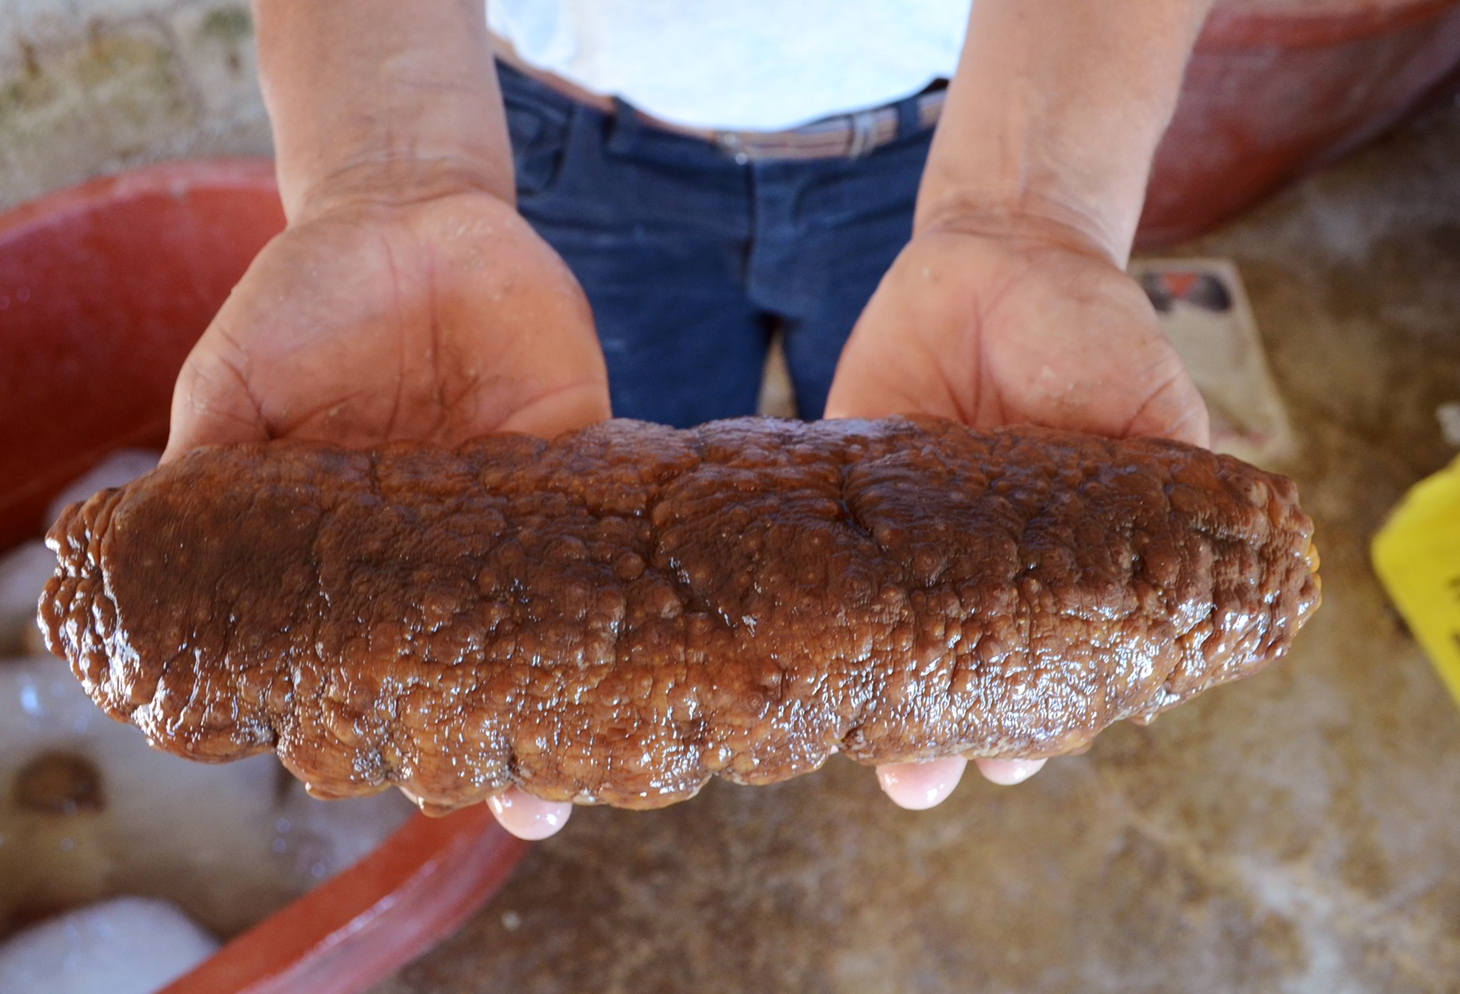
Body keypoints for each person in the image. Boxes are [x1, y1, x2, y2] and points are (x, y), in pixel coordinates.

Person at [162, 0, 1213, 840]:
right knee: (616, 500)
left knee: (888, 483)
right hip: (525, 128)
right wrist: (384, 171)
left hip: (979, 113)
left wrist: (1041, 205)